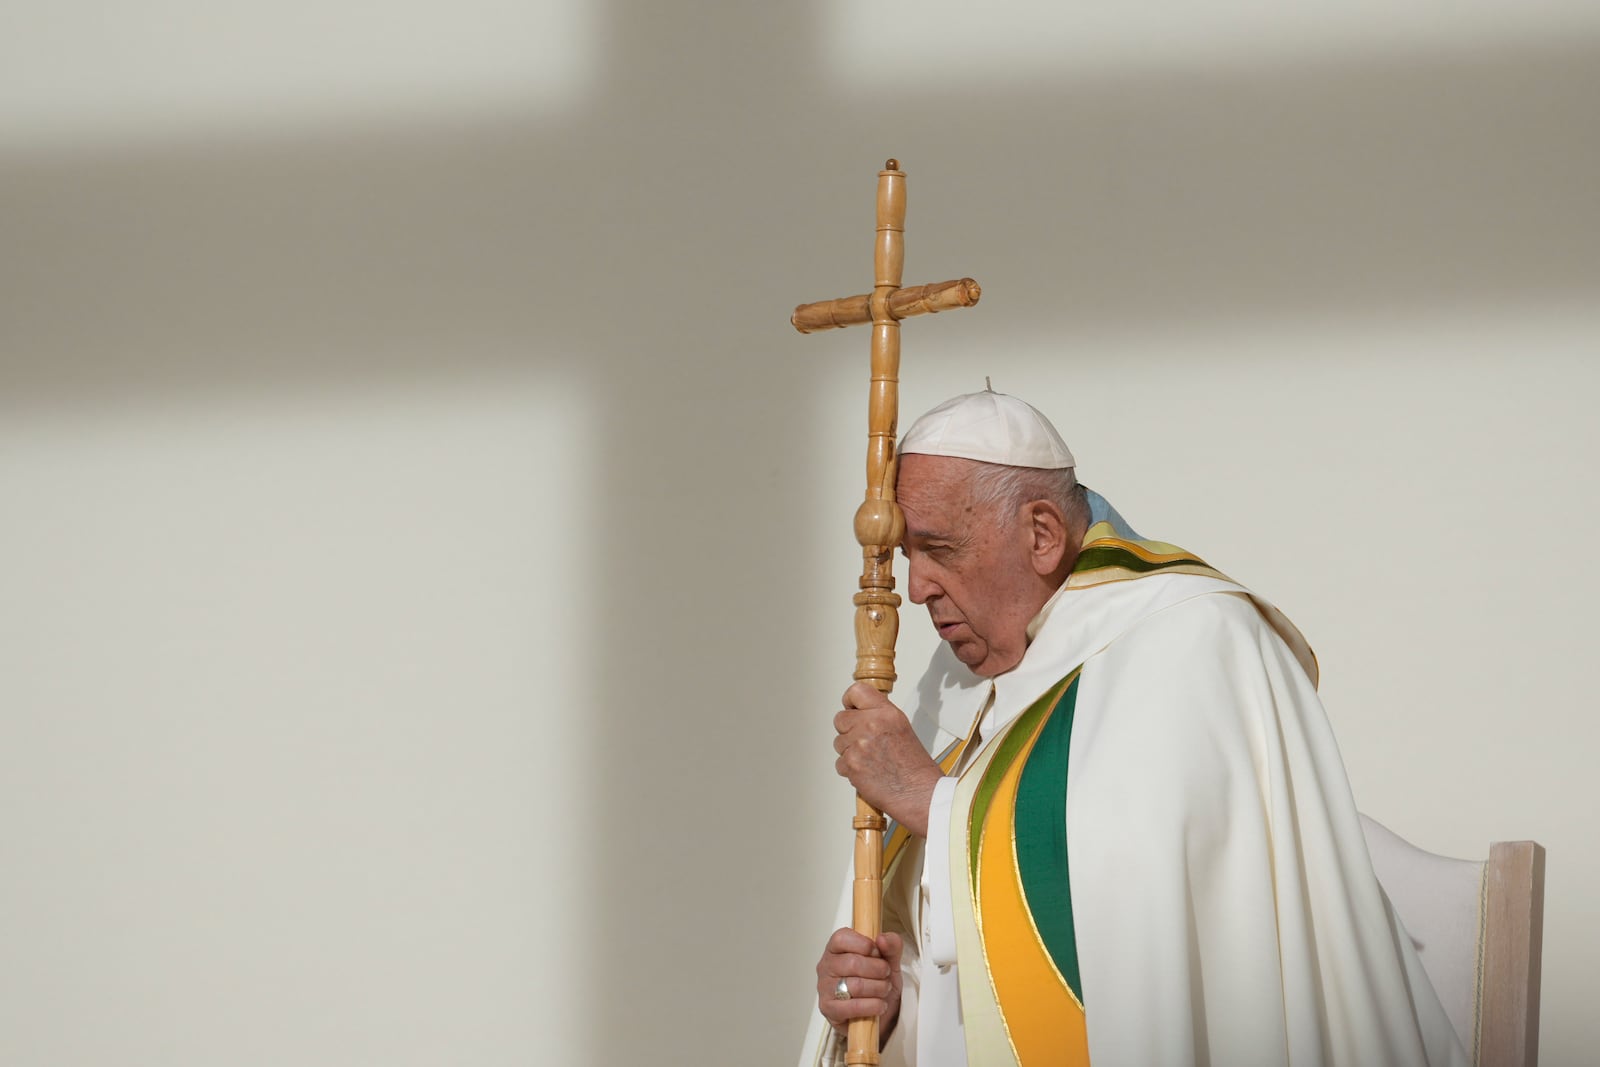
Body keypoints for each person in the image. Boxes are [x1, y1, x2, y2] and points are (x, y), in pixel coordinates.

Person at [799, 390, 1465, 1067]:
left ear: (1041, 534)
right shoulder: (959, 687)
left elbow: (1139, 923)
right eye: (910, 554)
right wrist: (886, 1011)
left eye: (940, 549)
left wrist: (930, 804)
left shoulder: (1191, 637)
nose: (916, 588)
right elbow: (967, 986)